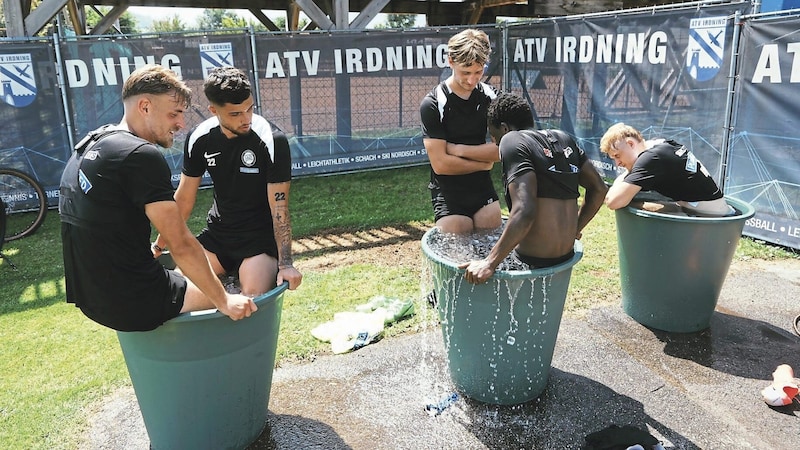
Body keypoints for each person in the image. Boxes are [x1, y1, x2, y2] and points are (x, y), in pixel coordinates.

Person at [59, 64, 256, 332]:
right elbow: (182, 244)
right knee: (238, 301)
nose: (181, 124)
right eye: (174, 114)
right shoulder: (139, 155)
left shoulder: (91, 143)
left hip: (90, 297)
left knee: (194, 281)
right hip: (134, 299)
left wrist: (155, 249)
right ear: (145, 106)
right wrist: (224, 301)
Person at [153, 66, 302, 297]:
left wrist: (286, 264)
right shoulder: (199, 138)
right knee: (182, 290)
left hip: (258, 239)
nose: (246, 119)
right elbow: (183, 199)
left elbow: (279, 207)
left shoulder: (272, 140)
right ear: (214, 110)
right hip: (218, 235)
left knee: (252, 297)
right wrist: (159, 245)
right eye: (235, 114)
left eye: (249, 109)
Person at [460, 92, 608, 284]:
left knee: (468, 266)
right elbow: (600, 189)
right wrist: (574, 230)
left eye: (493, 136)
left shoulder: (511, 140)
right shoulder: (563, 138)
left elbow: (525, 210)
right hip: (565, 257)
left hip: (531, 263)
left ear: (504, 128)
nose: (494, 143)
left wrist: (489, 263)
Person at [419, 28, 502, 234]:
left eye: (478, 72)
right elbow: (441, 165)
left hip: (482, 189)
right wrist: (484, 163)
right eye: (466, 72)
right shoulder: (432, 103)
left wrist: (457, 150)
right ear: (451, 61)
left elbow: (501, 150)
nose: (472, 80)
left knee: (490, 246)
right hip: (448, 193)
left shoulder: (493, 98)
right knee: (456, 249)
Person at [600, 123, 734, 216]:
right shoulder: (660, 145)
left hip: (708, 218)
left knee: (637, 204)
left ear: (630, 143)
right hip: (715, 211)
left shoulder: (650, 159)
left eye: (617, 156)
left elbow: (613, 202)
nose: (617, 163)